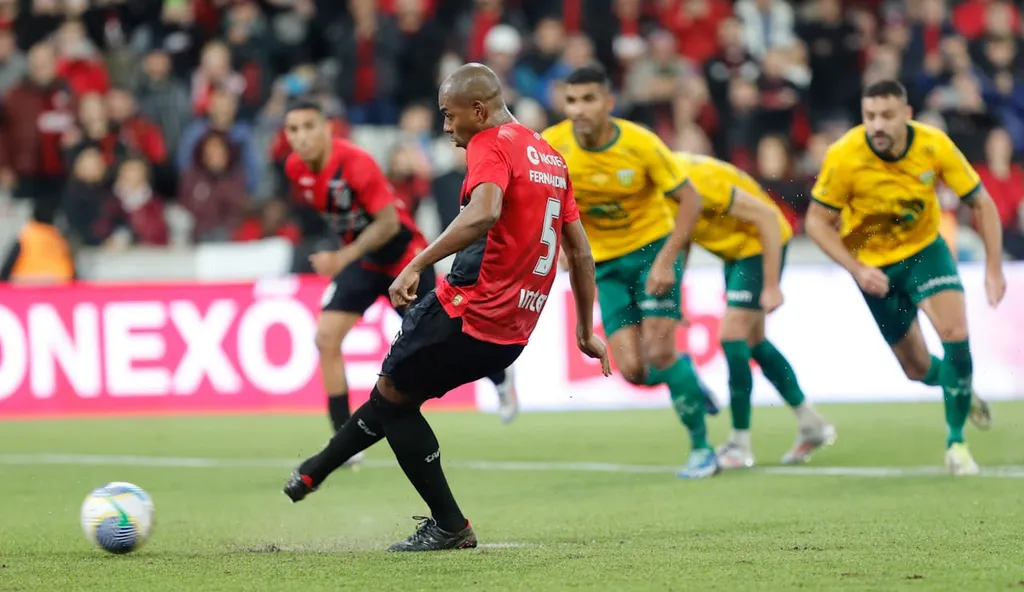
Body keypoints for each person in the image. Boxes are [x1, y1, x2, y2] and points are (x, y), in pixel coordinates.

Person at [284, 63, 611, 551]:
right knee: (395, 395)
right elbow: (581, 253)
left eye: (448, 115)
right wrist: (585, 330)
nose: (445, 126)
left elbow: (484, 213)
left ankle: (449, 524)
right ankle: (316, 470)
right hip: (513, 333)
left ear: (477, 111)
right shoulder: (549, 155)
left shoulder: (489, 142)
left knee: (393, 396)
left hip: (470, 310)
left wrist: (415, 261)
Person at [282, 97, 519, 463]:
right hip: (363, 262)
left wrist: (342, 256)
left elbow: (389, 223)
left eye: (309, 127)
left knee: (447, 340)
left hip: (404, 259)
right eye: (293, 130)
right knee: (326, 338)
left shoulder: (355, 162)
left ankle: (501, 377)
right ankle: (344, 443)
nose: (301, 137)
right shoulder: (296, 168)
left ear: (326, 128)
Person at [805, 80, 1004, 476]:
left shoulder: (934, 145)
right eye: (870, 116)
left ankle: (956, 444)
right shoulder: (844, 155)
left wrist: (993, 269)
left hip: (926, 252)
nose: (877, 125)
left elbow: (980, 201)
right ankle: (961, 388)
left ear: (907, 115)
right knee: (915, 368)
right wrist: (857, 269)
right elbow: (816, 222)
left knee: (954, 336)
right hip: (875, 268)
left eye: (886, 116)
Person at [542, 63, 721, 479]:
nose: (578, 109)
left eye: (588, 99)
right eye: (571, 100)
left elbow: (690, 201)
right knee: (635, 372)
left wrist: (666, 260)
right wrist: (561, 248)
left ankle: (702, 450)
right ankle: (687, 380)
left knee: (660, 351)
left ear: (608, 103)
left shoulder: (641, 144)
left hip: (652, 250)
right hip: (603, 263)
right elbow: (542, 203)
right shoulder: (553, 146)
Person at [671, 152, 835, 469]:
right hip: (735, 253)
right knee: (754, 343)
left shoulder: (701, 180)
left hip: (760, 245)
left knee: (732, 335)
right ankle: (810, 422)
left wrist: (772, 285)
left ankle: (740, 443)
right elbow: (683, 235)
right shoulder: (665, 187)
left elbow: (769, 219)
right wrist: (677, 293)